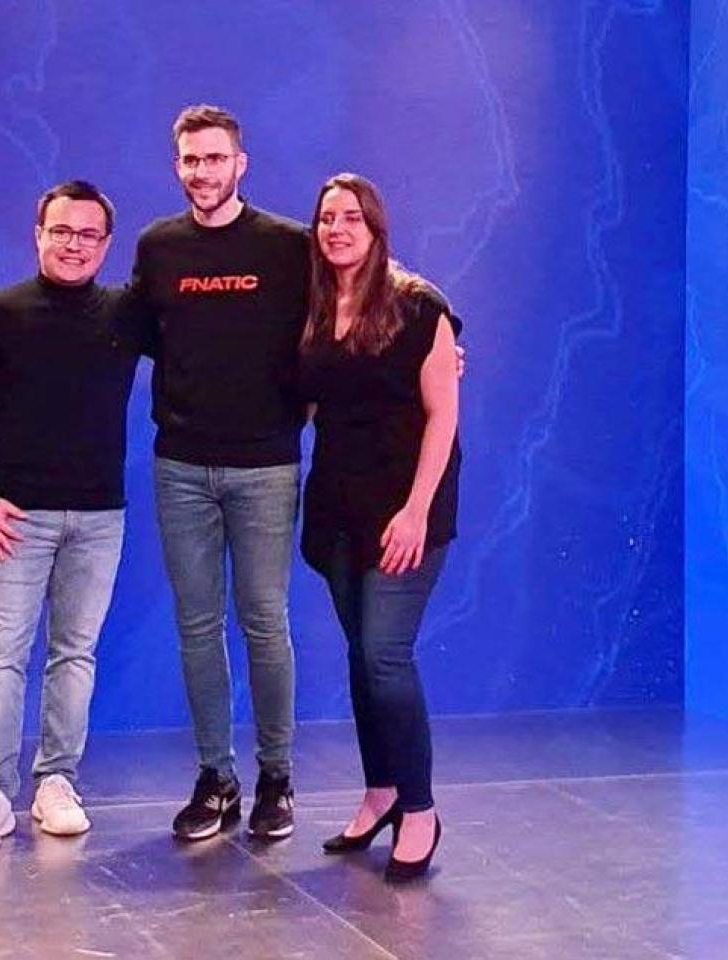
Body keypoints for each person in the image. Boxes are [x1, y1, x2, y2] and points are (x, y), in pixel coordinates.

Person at [121, 104, 311, 842]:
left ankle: (277, 779)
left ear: (241, 164)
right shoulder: (158, 247)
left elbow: (362, 294)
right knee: (198, 627)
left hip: (266, 468)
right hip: (182, 468)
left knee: (265, 622)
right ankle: (216, 779)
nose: (203, 172)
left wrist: (442, 328)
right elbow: (124, 332)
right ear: (178, 167)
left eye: (215, 158)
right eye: (191, 160)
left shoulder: (288, 246)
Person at [0, 181, 137, 853]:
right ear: (38, 234)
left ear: (105, 245)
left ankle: (57, 783)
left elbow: (210, 352)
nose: (74, 244)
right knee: (3, 656)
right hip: (16, 519)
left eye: (87, 234)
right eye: (62, 231)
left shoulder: (125, 315)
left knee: (74, 654)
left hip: (100, 516)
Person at [298, 173, 461, 881]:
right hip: (338, 507)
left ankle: (420, 809)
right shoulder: (311, 306)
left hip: (406, 509)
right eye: (327, 218)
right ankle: (382, 791)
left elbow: (444, 415)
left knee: (386, 654)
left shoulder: (420, 306)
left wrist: (416, 510)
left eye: (351, 218)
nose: (337, 230)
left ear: (375, 228)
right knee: (361, 656)